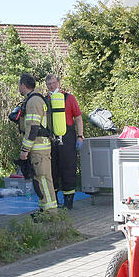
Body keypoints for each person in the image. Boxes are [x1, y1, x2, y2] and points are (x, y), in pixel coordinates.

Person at [18, 73, 58, 212]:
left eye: (19, 85)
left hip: (39, 148)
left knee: (44, 180)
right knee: (40, 181)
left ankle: (50, 213)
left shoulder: (33, 101)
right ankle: (43, 210)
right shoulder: (35, 98)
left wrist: (24, 150)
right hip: (40, 147)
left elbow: (33, 128)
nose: (19, 88)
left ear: (23, 85)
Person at [45, 74, 84, 210]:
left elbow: (78, 117)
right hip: (51, 138)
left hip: (68, 136)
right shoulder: (45, 100)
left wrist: (80, 136)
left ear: (59, 83)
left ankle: (69, 202)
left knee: (68, 167)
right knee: (52, 169)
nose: (51, 86)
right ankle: (54, 199)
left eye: (53, 83)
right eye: (49, 84)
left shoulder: (69, 98)